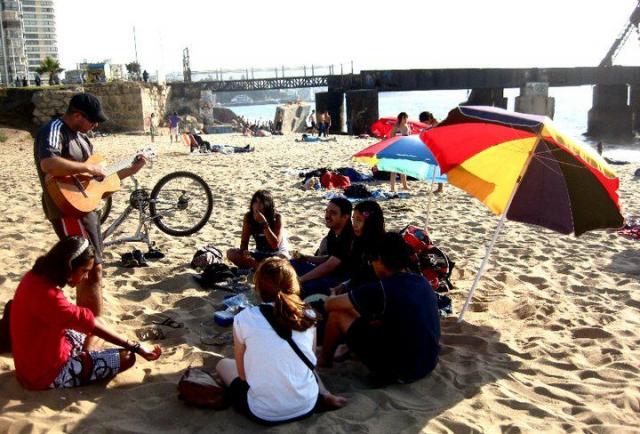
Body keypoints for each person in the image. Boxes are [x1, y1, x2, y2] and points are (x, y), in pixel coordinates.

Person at [34, 93, 147, 318]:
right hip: (67, 210)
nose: (95, 125)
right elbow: (48, 163)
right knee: (88, 269)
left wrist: (132, 169)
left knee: (93, 268)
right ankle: (90, 325)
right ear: (77, 115)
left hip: (88, 210)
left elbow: (100, 179)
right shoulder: (55, 129)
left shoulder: (83, 137)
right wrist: (87, 169)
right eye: (92, 120)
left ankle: (91, 322)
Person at [10, 237, 162, 390]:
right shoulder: (50, 298)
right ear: (68, 266)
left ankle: (87, 356)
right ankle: (86, 358)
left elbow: (87, 321)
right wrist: (137, 347)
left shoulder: (33, 277)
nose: (86, 277)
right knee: (127, 357)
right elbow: (91, 324)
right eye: (84, 271)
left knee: (97, 326)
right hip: (45, 376)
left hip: (29, 367)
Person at [216, 258, 346, 425]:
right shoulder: (309, 315)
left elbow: (243, 375)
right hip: (307, 405)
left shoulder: (244, 318)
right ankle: (325, 393)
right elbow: (310, 363)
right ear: (293, 287)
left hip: (264, 412)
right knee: (302, 366)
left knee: (223, 364)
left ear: (258, 288)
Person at [320, 232, 441, 385]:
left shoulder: (382, 288)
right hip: (428, 362)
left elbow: (329, 305)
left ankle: (324, 360)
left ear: (380, 260)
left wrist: (332, 295)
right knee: (372, 318)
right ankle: (349, 351)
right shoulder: (421, 281)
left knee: (337, 314)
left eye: (372, 261)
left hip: (402, 371)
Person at [293, 198, 354, 298]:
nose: (327, 216)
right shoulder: (333, 232)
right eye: (326, 211)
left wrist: (300, 279)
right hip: (328, 274)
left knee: (304, 287)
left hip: (339, 282)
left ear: (345, 217)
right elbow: (329, 258)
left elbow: (329, 266)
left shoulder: (348, 237)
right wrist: (307, 258)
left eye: (333, 213)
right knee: (293, 264)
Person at [330, 200, 385, 295]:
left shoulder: (381, 246)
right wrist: (344, 285)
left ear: (371, 222)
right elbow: (358, 274)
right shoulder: (358, 241)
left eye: (359, 220)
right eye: (353, 219)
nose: (354, 224)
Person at [227, 190, 289, 270]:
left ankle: (260, 268)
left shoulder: (277, 217)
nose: (257, 205)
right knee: (231, 253)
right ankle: (261, 268)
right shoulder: (249, 217)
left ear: (268, 205)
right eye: (255, 202)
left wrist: (263, 223)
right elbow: (244, 241)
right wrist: (245, 251)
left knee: (279, 262)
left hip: (276, 255)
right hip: (259, 254)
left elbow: (275, 245)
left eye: (261, 203)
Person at [419, 111, 443, 193]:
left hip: (440, 148)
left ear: (429, 118)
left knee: (439, 168)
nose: (425, 124)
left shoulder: (437, 124)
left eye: (426, 122)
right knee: (436, 167)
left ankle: (440, 188)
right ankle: (440, 187)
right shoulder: (432, 125)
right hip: (436, 147)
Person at [387, 112, 410, 192]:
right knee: (393, 170)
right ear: (400, 118)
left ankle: (405, 185)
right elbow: (390, 137)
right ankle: (392, 188)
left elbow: (409, 138)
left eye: (406, 118)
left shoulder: (407, 127)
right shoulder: (395, 127)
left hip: (404, 149)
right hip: (395, 149)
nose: (405, 120)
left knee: (403, 169)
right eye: (404, 118)